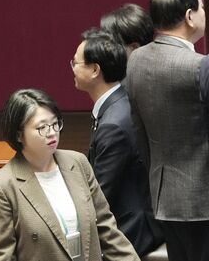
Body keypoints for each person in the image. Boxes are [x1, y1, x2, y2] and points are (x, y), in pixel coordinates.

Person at [0, 89, 138, 261]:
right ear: (19, 134)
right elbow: (3, 257)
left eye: (55, 124)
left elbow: (106, 227)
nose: (51, 132)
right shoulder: (1, 187)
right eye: (42, 127)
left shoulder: (77, 163)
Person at [125, 0, 209, 261]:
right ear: (189, 16)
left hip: (164, 196)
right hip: (204, 201)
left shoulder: (136, 60)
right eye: (201, 7)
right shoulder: (199, 66)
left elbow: (140, 131)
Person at [71, 29, 163, 256]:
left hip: (131, 226)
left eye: (76, 62)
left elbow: (100, 194)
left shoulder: (113, 125)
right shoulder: (120, 101)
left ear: (94, 70)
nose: (72, 67)